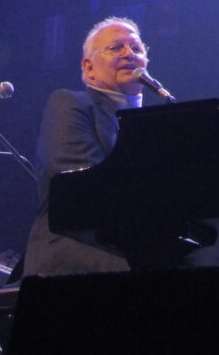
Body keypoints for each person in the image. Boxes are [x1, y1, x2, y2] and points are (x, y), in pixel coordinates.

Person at [22, 16, 149, 276]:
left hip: (137, 249)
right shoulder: (70, 104)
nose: (129, 54)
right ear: (88, 67)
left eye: (137, 48)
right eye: (116, 47)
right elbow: (79, 181)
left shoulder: (152, 126)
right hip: (78, 254)